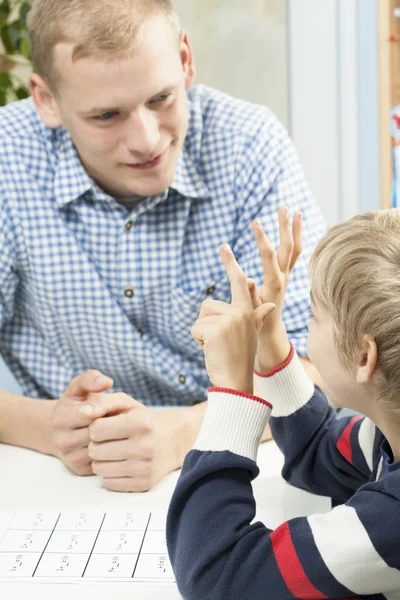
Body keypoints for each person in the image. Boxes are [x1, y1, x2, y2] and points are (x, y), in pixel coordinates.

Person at [0, 0, 326, 492]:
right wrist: (44, 425)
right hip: (63, 480)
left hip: (248, 460)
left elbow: (318, 368)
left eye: (161, 99)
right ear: (46, 99)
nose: (147, 140)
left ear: (186, 58)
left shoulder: (249, 147)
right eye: (107, 115)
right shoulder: (7, 157)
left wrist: (182, 433)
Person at [167, 207, 400, 599]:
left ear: (364, 357)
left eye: (313, 315)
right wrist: (268, 337)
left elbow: (217, 578)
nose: (305, 324)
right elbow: (317, 450)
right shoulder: (386, 433)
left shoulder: (391, 520)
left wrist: (231, 392)